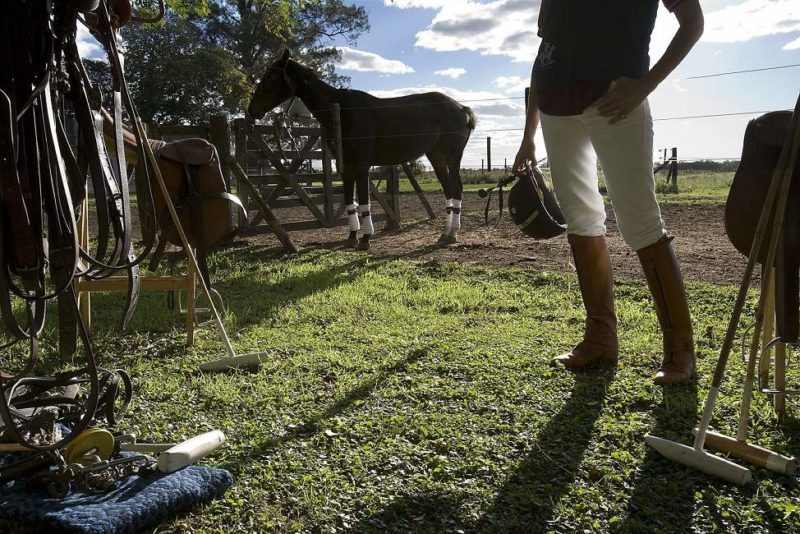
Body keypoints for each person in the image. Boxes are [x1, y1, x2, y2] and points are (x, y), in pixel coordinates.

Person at [513, 0, 704, 385]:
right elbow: (543, 54)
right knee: (580, 219)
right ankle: (600, 338)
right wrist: (528, 133)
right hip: (555, 109)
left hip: (616, 101)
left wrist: (644, 86)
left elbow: (693, 23)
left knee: (640, 221)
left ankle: (679, 350)